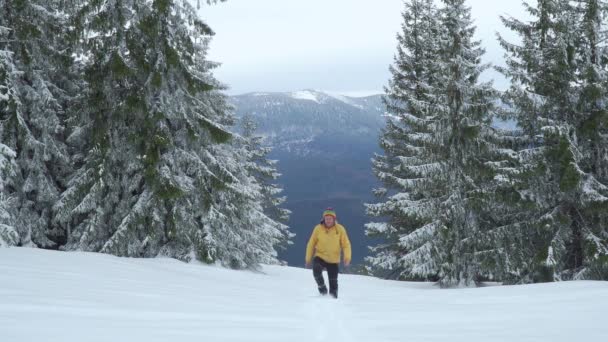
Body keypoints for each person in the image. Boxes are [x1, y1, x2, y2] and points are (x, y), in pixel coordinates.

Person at [305, 207, 351, 298]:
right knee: (316, 270)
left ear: (334, 219)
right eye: (326, 218)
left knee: (333, 284)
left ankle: (333, 301)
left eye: (330, 218)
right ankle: (322, 290)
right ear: (324, 219)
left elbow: (346, 245)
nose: (328, 220)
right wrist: (308, 259)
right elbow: (311, 244)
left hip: (333, 260)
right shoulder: (318, 229)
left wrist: (347, 257)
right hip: (320, 256)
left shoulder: (340, 229)